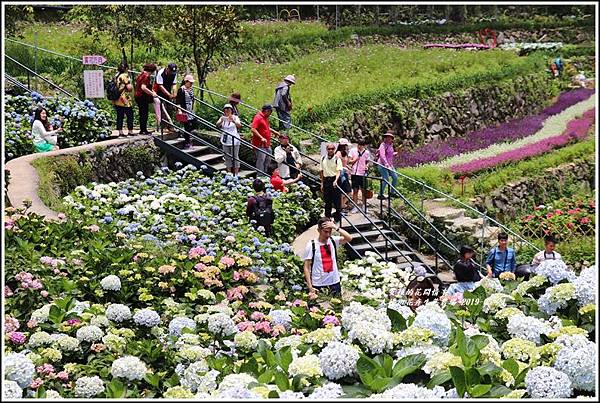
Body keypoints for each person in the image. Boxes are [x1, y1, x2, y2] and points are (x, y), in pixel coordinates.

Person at [303, 217, 352, 299]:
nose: (328, 235)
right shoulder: (312, 245)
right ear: (319, 230)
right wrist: (310, 287)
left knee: (337, 309)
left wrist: (335, 227)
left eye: (330, 232)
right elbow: (306, 266)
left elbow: (349, 238)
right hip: (318, 283)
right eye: (325, 232)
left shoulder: (333, 240)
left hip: (334, 282)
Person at [251, 104, 279, 175]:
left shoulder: (265, 117)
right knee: (261, 160)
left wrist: (274, 131)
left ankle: (266, 173)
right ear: (266, 111)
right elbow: (253, 129)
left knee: (268, 159)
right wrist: (261, 138)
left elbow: (266, 127)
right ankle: (260, 175)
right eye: (270, 111)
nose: (271, 113)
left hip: (267, 144)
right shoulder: (258, 117)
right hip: (260, 144)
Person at [320, 143, 343, 224]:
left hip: (334, 180)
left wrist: (336, 180)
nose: (330, 150)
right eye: (329, 149)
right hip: (326, 180)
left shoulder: (337, 159)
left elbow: (338, 171)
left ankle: (337, 218)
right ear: (326, 149)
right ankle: (327, 218)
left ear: (334, 150)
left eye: (332, 149)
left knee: (337, 201)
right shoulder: (323, 158)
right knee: (327, 201)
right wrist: (322, 183)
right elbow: (321, 171)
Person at [216, 103, 242, 175]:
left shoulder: (235, 117)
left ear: (231, 110)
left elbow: (239, 125)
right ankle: (229, 172)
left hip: (234, 140)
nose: (227, 111)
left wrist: (233, 120)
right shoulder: (222, 118)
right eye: (226, 109)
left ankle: (236, 172)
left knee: (235, 156)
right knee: (227, 156)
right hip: (225, 139)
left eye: (229, 109)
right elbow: (217, 125)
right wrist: (221, 120)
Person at [175, 74, 199, 149]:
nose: (191, 84)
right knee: (187, 126)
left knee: (195, 124)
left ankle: (185, 134)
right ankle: (187, 143)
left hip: (190, 110)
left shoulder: (191, 89)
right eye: (190, 82)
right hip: (184, 110)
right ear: (186, 82)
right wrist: (179, 110)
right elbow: (178, 101)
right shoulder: (181, 90)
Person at [348, 138, 371, 213]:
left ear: (364, 146)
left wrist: (367, 166)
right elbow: (349, 161)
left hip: (363, 173)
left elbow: (367, 161)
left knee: (364, 191)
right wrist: (356, 159)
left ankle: (364, 206)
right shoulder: (352, 150)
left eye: (362, 145)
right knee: (355, 190)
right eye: (359, 145)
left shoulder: (366, 152)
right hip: (354, 173)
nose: (360, 147)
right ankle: (355, 206)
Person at [153, 63, 178, 132]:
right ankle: (163, 127)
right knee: (162, 109)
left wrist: (174, 93)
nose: (171, 73)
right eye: (170, 71)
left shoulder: (174, 74)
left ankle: (170, 126)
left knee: (170, 108)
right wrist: (169, 95)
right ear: (167, 69)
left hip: (168, 92)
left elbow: (174, 84)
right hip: (159, 93)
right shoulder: (160, 73)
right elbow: (160, 86)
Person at [134, 63, 158, 135]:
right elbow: (143, 87)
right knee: (144, 113)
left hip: (137, 96)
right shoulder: (146, 76)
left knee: (142, 113)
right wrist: (152, 93)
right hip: (142, 97)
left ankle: (142, 129)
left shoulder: (141, 74)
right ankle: (143, 130)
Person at [112, 62, 134, 137]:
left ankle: (120, 132)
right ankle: (130, 131)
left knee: (119, 116)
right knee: (130, 115)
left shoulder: (116, 76)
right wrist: (130, 81)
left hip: (117, 99)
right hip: (125, 99)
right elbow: (129, 88)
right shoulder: (125, 75)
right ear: (126, 69)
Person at [376, 132, 399, 199]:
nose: (388, 138)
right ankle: (380, 194)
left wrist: (395, 153)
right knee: (386, 179)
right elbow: (382, 155)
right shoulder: (382, 145)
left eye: (390, 137)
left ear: (392, 139)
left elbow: (389, 154)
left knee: (395, 177)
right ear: (384, 138)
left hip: (390, 164)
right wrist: (386, 164)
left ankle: (392, 193)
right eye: (387, 137)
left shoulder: (391, 145)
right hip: (382, 164)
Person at [336, 138, 352, 213]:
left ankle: (342, 205)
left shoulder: (345, 153)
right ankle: (341, 206)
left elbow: (345, 163)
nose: (347, 147)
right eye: (346, 145)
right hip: (341, 173)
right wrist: (344, 168)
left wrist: (349, 168)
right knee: (345, 190)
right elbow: (337, 164)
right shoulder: (338, 153)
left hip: (345, 173)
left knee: (348, 190)